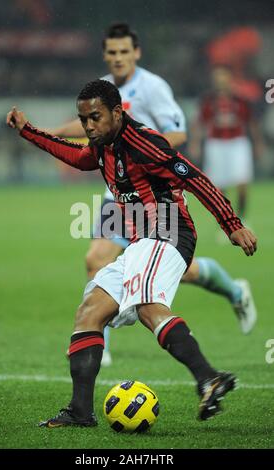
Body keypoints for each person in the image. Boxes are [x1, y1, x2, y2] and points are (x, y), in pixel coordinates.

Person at [7, 79, 257, 426]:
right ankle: (81, 411)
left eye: (95, 117)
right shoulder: (102, 144)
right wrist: (28, 132)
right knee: (90, 310)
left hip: (169, 231)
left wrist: (232, 224)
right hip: (142, 239)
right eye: (84, 120)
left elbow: (196, 178)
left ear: (115, 113)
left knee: (147, 307)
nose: (89, 126)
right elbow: (79, 158)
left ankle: (209, 378)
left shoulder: (145, 144)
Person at [46, 25, 257, 364]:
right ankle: (101, 346)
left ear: (136, 53)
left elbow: (177, 134)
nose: (117, 58)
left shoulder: (154, 87)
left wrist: (138, 156)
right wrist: (50, 133)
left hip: (154, 197)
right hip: (116, 195)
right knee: (96, 258)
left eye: (123, 52)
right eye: (112, 52)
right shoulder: (104, 87)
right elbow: (87, 126)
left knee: (179, 271)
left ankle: (234, 290)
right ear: (105, 55)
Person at [189, 65, 263, 221]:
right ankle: (227, 221)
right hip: (215, 144)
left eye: (223, 76)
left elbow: (251, 122)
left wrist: (258, 143)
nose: (220, 80)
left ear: (229, 78)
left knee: (242, 182)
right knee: (219, 186)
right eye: (217, 77)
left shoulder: (240, 100)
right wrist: (195, 143)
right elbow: (200, 122)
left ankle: (242, 218)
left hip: (238, 143)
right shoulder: (208, 100)